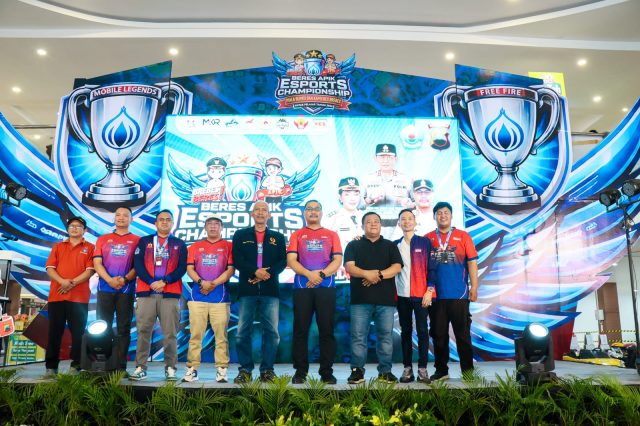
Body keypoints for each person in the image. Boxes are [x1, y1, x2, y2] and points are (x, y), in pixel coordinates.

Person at [287, 200, 343, 384]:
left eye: (316, 209)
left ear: (321, 213)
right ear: (304, 213)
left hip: (325, 288)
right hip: (302, 287)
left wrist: (321, 275)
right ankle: (300, 372)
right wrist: (309, 274)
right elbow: (291, 260)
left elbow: (337, 261)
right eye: (309, 209)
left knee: (326, 330)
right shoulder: (297, 234)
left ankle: (326, 372)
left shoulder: (332, 234)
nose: (313, 212)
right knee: (300, 330)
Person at [344, 211, 402, 384]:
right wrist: (366, 274)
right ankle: (357, 371)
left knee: (385, 337)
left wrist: (378, 275)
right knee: (358, 336)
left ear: (380, 225)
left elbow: (397, 267)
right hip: (360, 300)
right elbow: (349, 267)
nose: (373, 224)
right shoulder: (353, 245)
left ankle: (385, 371)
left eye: (376, 221)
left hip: (385, 300)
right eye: (369, 221)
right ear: (362, 226)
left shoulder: (390, 245)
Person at [129, 209, 187, 381]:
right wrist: (151, 282)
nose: (164, 222)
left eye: (168, 219)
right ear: (155, 223)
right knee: (143, 331)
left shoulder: (179, 243)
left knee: (170, 333)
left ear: (172, 223)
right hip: (146, 292)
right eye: (161, 219)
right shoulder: (144, 241)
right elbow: (138, 264)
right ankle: (140, 367)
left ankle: (170, 368)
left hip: (170, 293)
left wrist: (165, 281)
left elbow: (182, 268)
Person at [232, 201, 287, 383]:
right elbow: (238, 260)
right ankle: (245, 370)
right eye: (257, 210)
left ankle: (267, 370)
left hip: (270, 290)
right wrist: (255, 272)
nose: (261, 212)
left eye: (264, 210)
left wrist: (266, 274)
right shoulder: (241, 235)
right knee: (242, 332)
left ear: (269, 215)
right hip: (247, 288)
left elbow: (282, 261)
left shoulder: (277, 237)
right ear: (252, 214)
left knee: (271, 332)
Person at [425, 202, 479, 381]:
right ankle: (441, 371)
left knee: (462, 335)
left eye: (446, 212)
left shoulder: (463, 236)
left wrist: (474, 286)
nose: (442, 215)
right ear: (434, 216)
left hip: (459, 294)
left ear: (451, 215)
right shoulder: (428, 238)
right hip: (436, 296)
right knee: (438, 335)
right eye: (439, 213)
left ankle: (468, 372)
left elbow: (472, 262)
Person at [183, 216, 235, 383]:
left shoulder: (229, 246)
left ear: (221, 228)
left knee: (221, 336)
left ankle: (222, 369)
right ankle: (192, 369)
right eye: (210, 224)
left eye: (216, 224)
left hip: (220, 298)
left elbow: (230, 270)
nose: (213, 227)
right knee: (195, 335)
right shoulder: (194, 247)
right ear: (205, 227)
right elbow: (190, 269)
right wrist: (201, 282)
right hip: (197, 297)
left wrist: (213, 284)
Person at [44, 216, 95, 377]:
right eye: (72, 226)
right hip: (56, 296)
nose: (74, 228)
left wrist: (71, 283)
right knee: (54, 332)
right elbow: (50, 268)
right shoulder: (58, 246)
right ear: (67, 229)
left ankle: (76, 366)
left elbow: (90, 271)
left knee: (78, 333)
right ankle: (51, 367)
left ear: (84, 230)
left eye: (78, 226)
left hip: (79, 298)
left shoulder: (90, 247)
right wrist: (62, 282)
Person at [93, 207, 140, 373]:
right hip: (105, 289)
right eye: (118, 215)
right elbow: (97, 263)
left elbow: (138, 266)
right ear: (114, 218)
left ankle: (120, 366)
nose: (121, 217)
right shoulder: (102, 239)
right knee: (102, 326)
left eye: (125, 215)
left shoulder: (137, 240)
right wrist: (109, 280)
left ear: (131, 219)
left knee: (123, 328)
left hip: (126, 290)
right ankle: (101, 363)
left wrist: (125, 279)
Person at [393, 209, 436, 383]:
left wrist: (429, 291)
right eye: (403, 219)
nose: (407, 221)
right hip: (402, 296)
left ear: (415, 222)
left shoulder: (424, 242)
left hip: (421, 295)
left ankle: (423, 369)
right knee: (406, 332)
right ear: (399, 223)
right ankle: (407, 368)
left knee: (423, 331)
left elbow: (432, 268)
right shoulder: (395, 245)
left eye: (410, 218)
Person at [361, 144, 413, 236]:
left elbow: (416, 205)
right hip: (373, 228)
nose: (385, 161)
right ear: (375, 158)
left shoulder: (406, 179)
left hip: (400, 228)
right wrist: (368, 201)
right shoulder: (367, 179)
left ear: (396, 158)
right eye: (382, 157)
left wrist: (409, 204)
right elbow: (358, 206)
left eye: (389, 157)